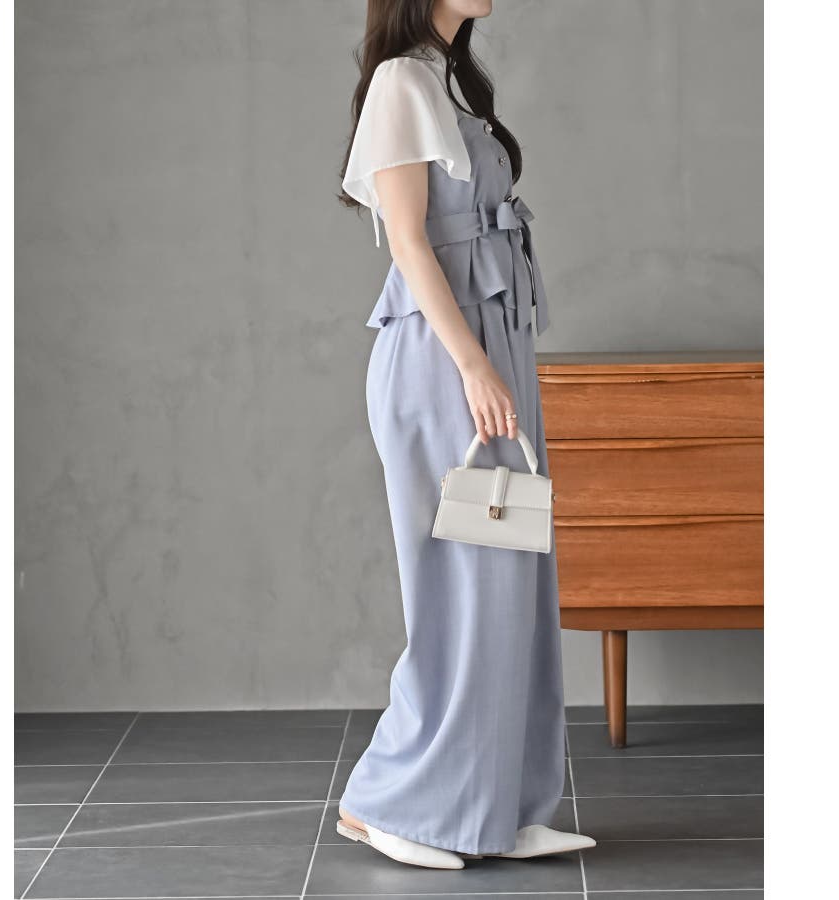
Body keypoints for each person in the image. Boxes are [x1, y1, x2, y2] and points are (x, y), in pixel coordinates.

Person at [335, 0, 597, 870]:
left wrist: (498, 359)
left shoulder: (448, 80)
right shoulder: (400, 82)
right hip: (444, 357)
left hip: (494, 342)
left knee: (512, 575)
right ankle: (390, 804)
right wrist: (475, 366)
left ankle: (496, 807)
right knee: (458, 586)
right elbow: (409, 243)